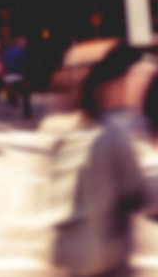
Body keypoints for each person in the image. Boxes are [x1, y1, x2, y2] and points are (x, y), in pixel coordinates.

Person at [42, 43, 146, 277]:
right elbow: (137, 191)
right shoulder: (113, 134)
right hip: (104, 258)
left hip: (67, 252)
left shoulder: (62, 130)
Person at [2, 36, 32, 119]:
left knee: (13, 93)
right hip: (19, 75)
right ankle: (27, 114)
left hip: (8, 76)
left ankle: (15, 106)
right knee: (26, 95)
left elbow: (4, 62)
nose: (25, 44)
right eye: (24, 42)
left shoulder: (8, 51)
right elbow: (25, 64)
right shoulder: (21, 51)